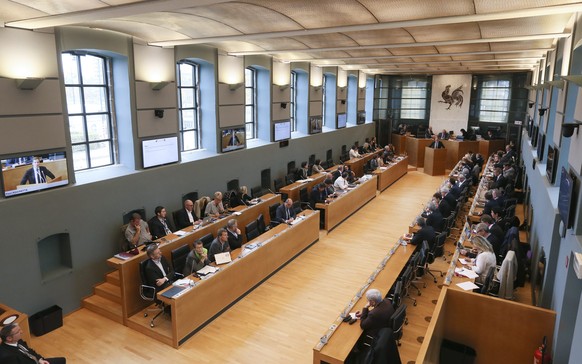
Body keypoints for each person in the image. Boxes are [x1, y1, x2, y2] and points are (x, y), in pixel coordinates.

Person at [0, 323, 66, 364]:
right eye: (18, 332)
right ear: (9, 338)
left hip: (37, 361)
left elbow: (29, 351)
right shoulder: (8, 357)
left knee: (62, 360)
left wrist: (40, 359)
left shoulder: (18, 340)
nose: (22, 332)